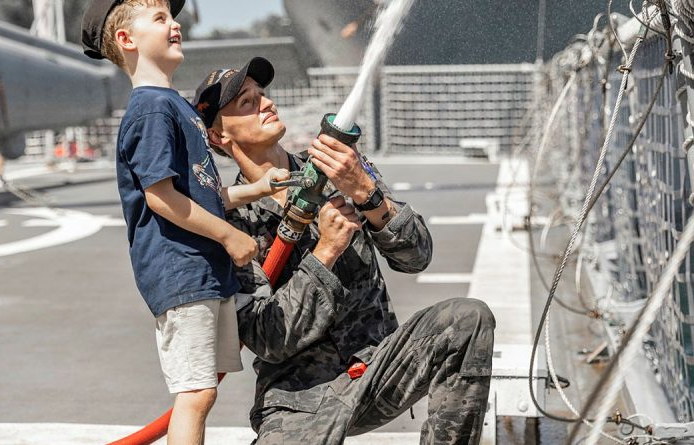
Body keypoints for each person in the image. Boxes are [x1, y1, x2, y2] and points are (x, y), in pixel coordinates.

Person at [192, 57, 496, 444]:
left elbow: (416, 256)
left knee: (466, 319)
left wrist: (366, 194)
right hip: (301, 397)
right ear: (219, 137)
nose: (266, 104)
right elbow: (269, 338)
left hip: (378, 366)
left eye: (263, 95)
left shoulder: (339, 168)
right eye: (247, 103)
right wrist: (325, 253)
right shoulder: (231, 222)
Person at [80, 3, 289, 444]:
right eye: (158, 18)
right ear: (126, 40)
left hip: (201, 271)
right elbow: (161, 197)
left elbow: (201, 196)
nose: (174, 23)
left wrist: (259, 187)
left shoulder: (173, 105)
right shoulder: (152, 109)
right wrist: (230, 235)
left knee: (201, 393)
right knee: (195, 393)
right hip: (182, 270)